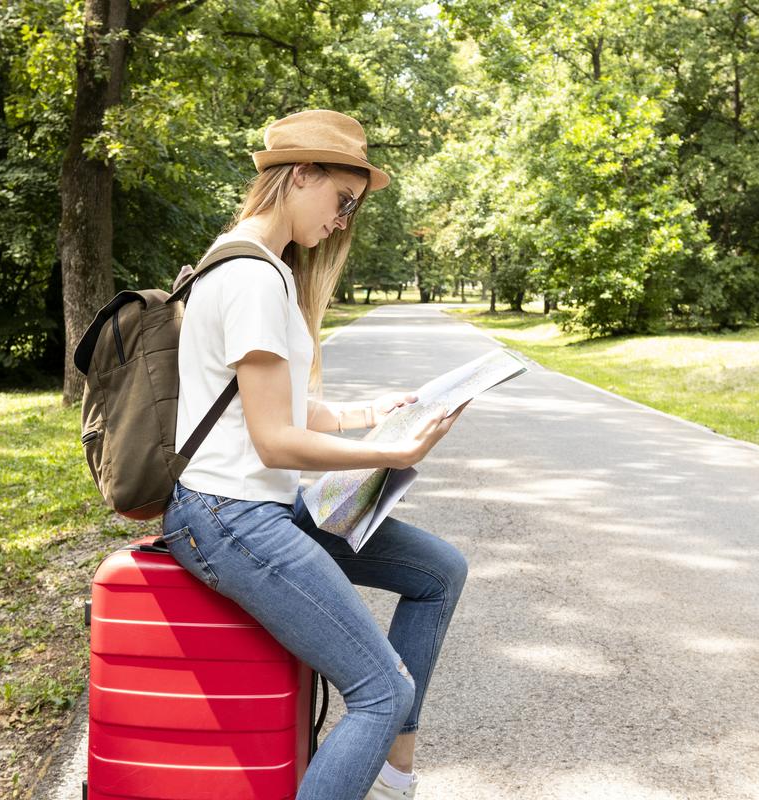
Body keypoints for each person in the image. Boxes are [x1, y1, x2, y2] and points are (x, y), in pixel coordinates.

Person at [161, 109, 470, 800]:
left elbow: (279, 408)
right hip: (230, 516)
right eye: (342, 200)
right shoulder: (250, 277)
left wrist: (373, 415)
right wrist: (389, 452)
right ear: (300, 174)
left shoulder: (259, 266)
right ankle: (389, 767)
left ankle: (393, 771)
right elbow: (275, 440)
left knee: (437, 571)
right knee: (379, 689)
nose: (342, 221)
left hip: (248, 505)